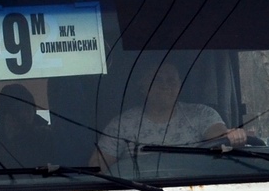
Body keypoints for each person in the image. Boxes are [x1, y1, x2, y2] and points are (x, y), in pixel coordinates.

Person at [95, 61, 248, 167]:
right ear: (143, 86)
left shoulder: (202, 114)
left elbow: (220, 138)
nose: (166, 86)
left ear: (180, 85)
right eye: (158, 80)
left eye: (171, 80)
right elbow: (97, 167)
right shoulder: (122, 125)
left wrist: (233, 136)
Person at [0, 83, 55, 168]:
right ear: (4, 114)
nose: (24, 115)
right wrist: (12, 139)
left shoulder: (46, 136)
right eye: (16, 110)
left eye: (28, 109)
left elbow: (57, 169)